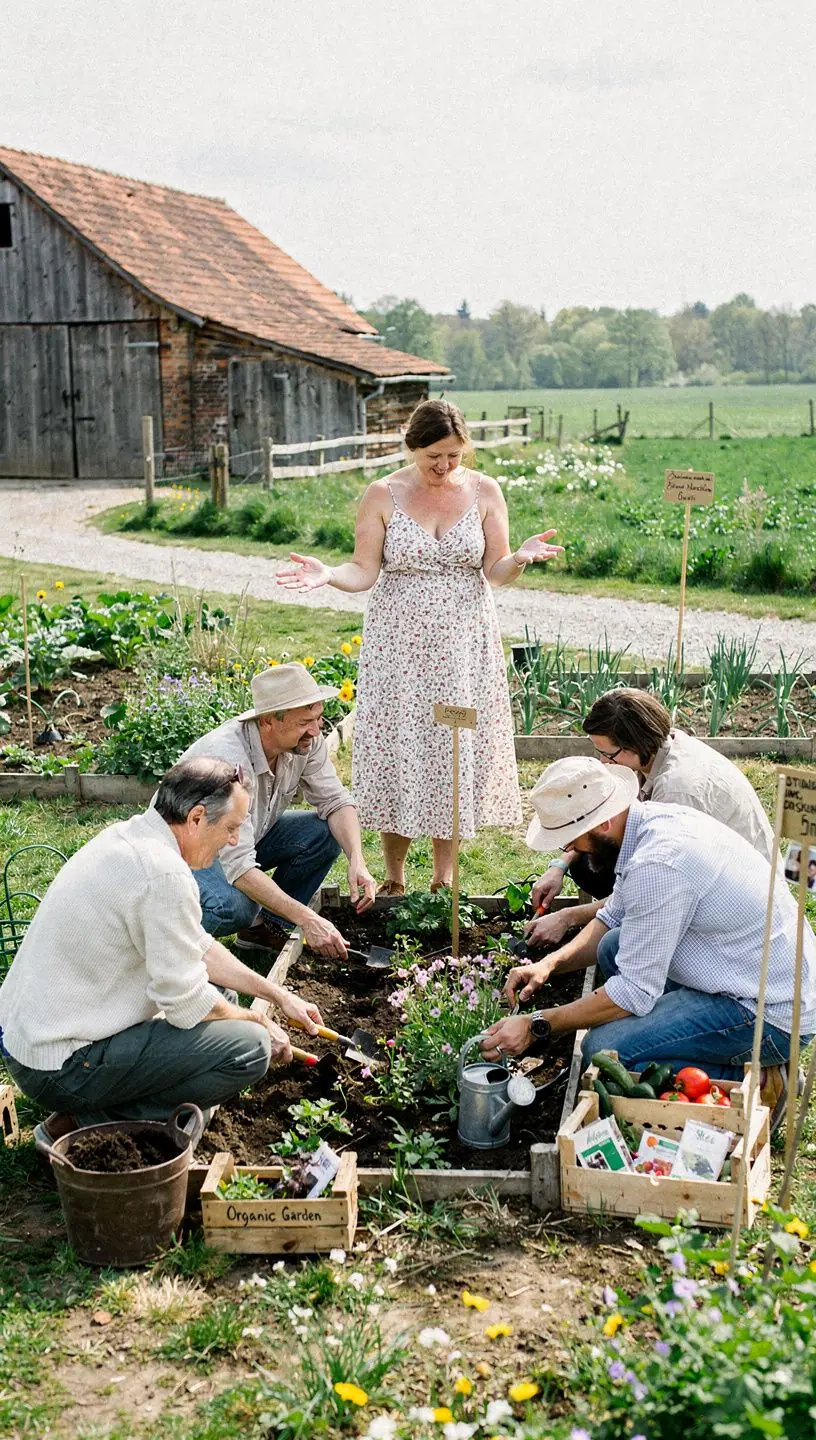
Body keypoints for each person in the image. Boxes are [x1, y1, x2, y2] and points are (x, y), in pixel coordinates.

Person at [276, 398, 563, 894]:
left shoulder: (485, 491)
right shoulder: (382, 493)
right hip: (398, 648)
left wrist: (519, 557)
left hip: (462, 647)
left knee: (450, 747)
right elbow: (364, 570)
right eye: (434, 456)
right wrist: (328, 574)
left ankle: (444, 877)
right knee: (400, 744)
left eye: (454, 455)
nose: (444, 466)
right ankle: (392, 875)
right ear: (413, 446)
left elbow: (495, 572)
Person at [481, 756, 816, 1129]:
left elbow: (634, 993)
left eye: (573, 838)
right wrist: (550, 965)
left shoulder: (659, 864)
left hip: (767, 1012)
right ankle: (683, 1039)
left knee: (603, 1051)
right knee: (613, 947)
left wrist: (537, 1024)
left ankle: (763, 1080)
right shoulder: (647, 825)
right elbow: (610, 919)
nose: (573, 848)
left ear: (603, 822)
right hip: (744, 968)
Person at [0, 758, 325, 1139]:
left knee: (223, 998)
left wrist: (276, 995)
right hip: (61, 1066)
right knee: (249, 1049)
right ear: (197, 817)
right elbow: (185, 1002)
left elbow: (198, 947)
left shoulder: (131, 836)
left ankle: (101, 1110)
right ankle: (86, 1124)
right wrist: (258, 1021)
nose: (234, 840)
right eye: (232, 827)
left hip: (33, 1040)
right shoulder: (164, 875)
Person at [526, 687, 778, 949]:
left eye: (608, 754)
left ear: (636, 744)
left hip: (737, 900)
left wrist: (568, 917)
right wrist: (559, 866)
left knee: (614, 941)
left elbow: (653, 882)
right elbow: (599, 822)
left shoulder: (678, 791)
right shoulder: (654, 751)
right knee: (585, 861)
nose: (603, 761)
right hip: (699, 874)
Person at [179, 663, 376, 959]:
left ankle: (263, 930)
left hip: (241, 839)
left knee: (322, 834)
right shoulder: (227, 761)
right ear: (268, 721)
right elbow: (239, 867)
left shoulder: (305, 742)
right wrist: (308, 919)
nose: (315, 729)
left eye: (318, 718)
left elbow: (335, 800)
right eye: (304, 722)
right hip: (185, 858)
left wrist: (357, 861)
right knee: (235, 907)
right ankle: (166, 937)